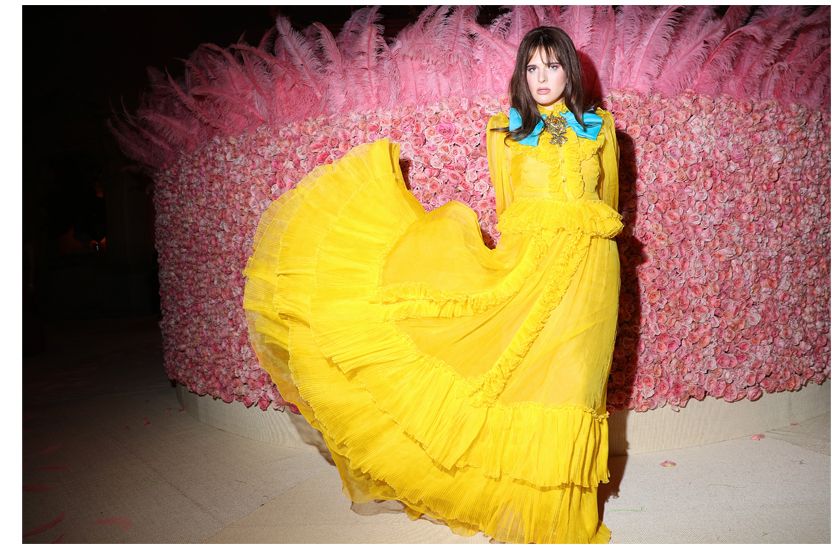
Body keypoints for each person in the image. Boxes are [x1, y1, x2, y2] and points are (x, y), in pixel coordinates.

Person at [242, 25, 623, 544]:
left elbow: (611, 202)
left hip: (592, 268)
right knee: (530, 382)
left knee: (578, 383)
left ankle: (567, 516)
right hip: (531, 264)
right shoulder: (504, 132)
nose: (541, 78)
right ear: (520, 73)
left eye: (552, 66)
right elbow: (509, 209)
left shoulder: (601, 128)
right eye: (531, 67)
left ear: (570, 72)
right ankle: (527, 509)